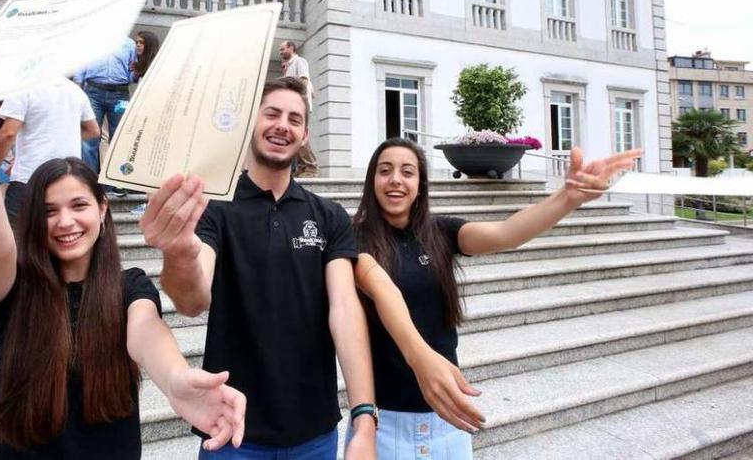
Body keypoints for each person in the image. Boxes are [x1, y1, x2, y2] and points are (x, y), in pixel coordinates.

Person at [0, 39, 247, 458]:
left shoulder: (129, 286)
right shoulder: (13, 281)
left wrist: (176, 378)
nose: (65, 222)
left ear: (103, 210)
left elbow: (147, 334)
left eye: (79, 205)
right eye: (49, 210)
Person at [350, 137, 640, 458]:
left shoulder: (440, 233)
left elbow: (506, 233)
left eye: (407, 172)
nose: (395, 180)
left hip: (448, 418)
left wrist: (567, 197)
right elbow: (383, 291)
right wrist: (420, 356)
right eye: (385, 170)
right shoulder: (352, 239)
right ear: (372, 181)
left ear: (420, 184)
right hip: (384, 422)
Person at [140, 77, 377, 458]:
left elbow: (346, 311)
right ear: (251, 123)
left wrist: (364, 415)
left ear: (303, 136)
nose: (283, 124)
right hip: (231, 430)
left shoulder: (329, 217)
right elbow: (191, 300)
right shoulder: (215, 209)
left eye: (294, 119)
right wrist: (179, 250)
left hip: (314, 432)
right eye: (272, 113)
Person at [0, 76, 100, 227]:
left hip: (29, 177)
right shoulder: (75, 90)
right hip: (66, 178)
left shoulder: (23, 87)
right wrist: (64, 136)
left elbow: (8, 133)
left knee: (16, 238)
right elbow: (93, 130)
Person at [73, 37, 135, 176]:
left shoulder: (129, 44)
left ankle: (118, 182)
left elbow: (132, 72)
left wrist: (135, 73)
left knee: (119, 138)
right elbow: (81, 64)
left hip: (120, 94)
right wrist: (78, 86)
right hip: (93, 92)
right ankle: (89, 180)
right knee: (90, 138)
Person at [278, 40, 318, 178]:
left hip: (299, 104)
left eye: (282, 49)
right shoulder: (290, 66)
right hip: (295, 104)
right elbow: (310, 87)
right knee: (295, 135)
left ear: (291, 48)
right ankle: (302, 167)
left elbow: (304, 80)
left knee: (300, 135)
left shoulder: (299, 61)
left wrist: (300, 99)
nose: (281, 52)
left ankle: (311, 167)